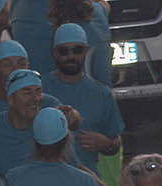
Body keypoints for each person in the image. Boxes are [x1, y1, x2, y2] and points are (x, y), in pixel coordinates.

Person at [41, 23, 122, 175]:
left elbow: (116, 142)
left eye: (76, 50)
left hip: (90, 181)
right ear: (55, 53)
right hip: (47, 178)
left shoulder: (102, 93)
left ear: (85, 51)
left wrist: (107, 144)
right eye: (64, 51)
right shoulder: (38, 90)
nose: (70, 56)